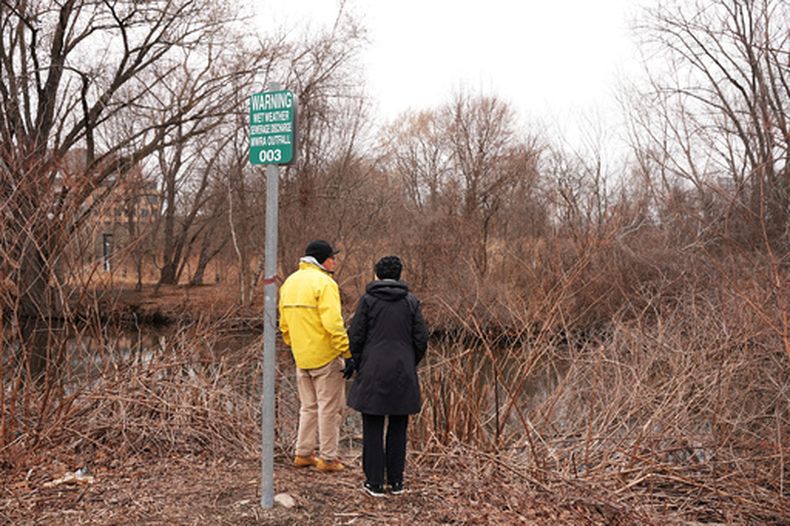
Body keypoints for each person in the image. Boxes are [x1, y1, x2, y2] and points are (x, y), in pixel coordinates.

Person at [346, 255, 428, 497]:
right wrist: (409, 361)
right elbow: (421, 338)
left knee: (372, 425)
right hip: (403, 370)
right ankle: (396, 482)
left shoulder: (368, 300)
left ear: (377, 275)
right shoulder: (411, 301)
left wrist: (359, 363)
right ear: (400, 274)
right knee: (398, 426)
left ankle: (374, 483)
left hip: (373, 369)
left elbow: (356, 336)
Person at [279, 239, 352, 473]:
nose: (335, 261)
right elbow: (334, 324)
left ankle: (303, 453)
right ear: (322, 260)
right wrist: (347, 352)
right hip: (326, 356)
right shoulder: (325, 283)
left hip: (301, 356)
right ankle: (328, 459)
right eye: (332, 257)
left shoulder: (289, 282)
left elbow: (284, 325)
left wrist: (296, 346)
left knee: (308, 407)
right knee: (330, 409)